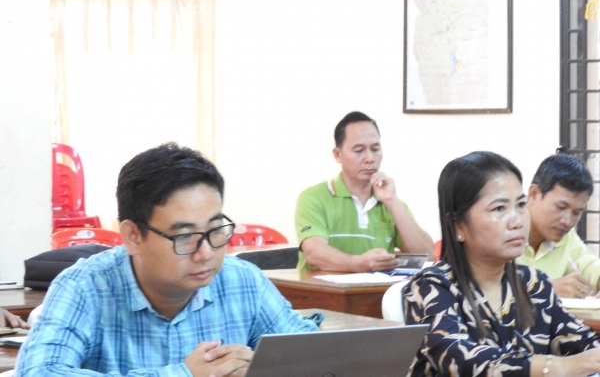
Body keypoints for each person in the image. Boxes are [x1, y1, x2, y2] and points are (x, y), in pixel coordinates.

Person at [16, 143, 318, 376]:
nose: (206, 253)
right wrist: (182, 374)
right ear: (133, 236)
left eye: (215, 230)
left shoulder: (243, 281)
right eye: (184, 237)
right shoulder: (85, 287)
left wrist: (264, 369)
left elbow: (315, 355)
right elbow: (39, 372)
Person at [404, 151, 600, 377]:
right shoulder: (430, 288)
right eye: (499, 209)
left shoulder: (534, 284)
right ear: (458, 225)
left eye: (521, 205)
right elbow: (465, 362)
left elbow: (583, 345)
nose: (517, 221)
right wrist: (557, 367)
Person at [295, 111, 433, 272]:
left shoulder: (391, 203)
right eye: (359, 150)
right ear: (338, 154)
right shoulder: (313, 198)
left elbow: (426, 255)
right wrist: (357, 264)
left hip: (378, 288)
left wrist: (392, 201)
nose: (370, 158)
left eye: (375, 149)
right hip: (322, 288)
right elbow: (314, 253)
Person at [515, 154, 598, 299]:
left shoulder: (566, 237)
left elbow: (589, 265)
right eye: (560, 207)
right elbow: (487, 290)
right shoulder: (503, 230)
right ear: (534, 194)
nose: (567, 221)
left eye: (576, 213)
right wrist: (546, 288)